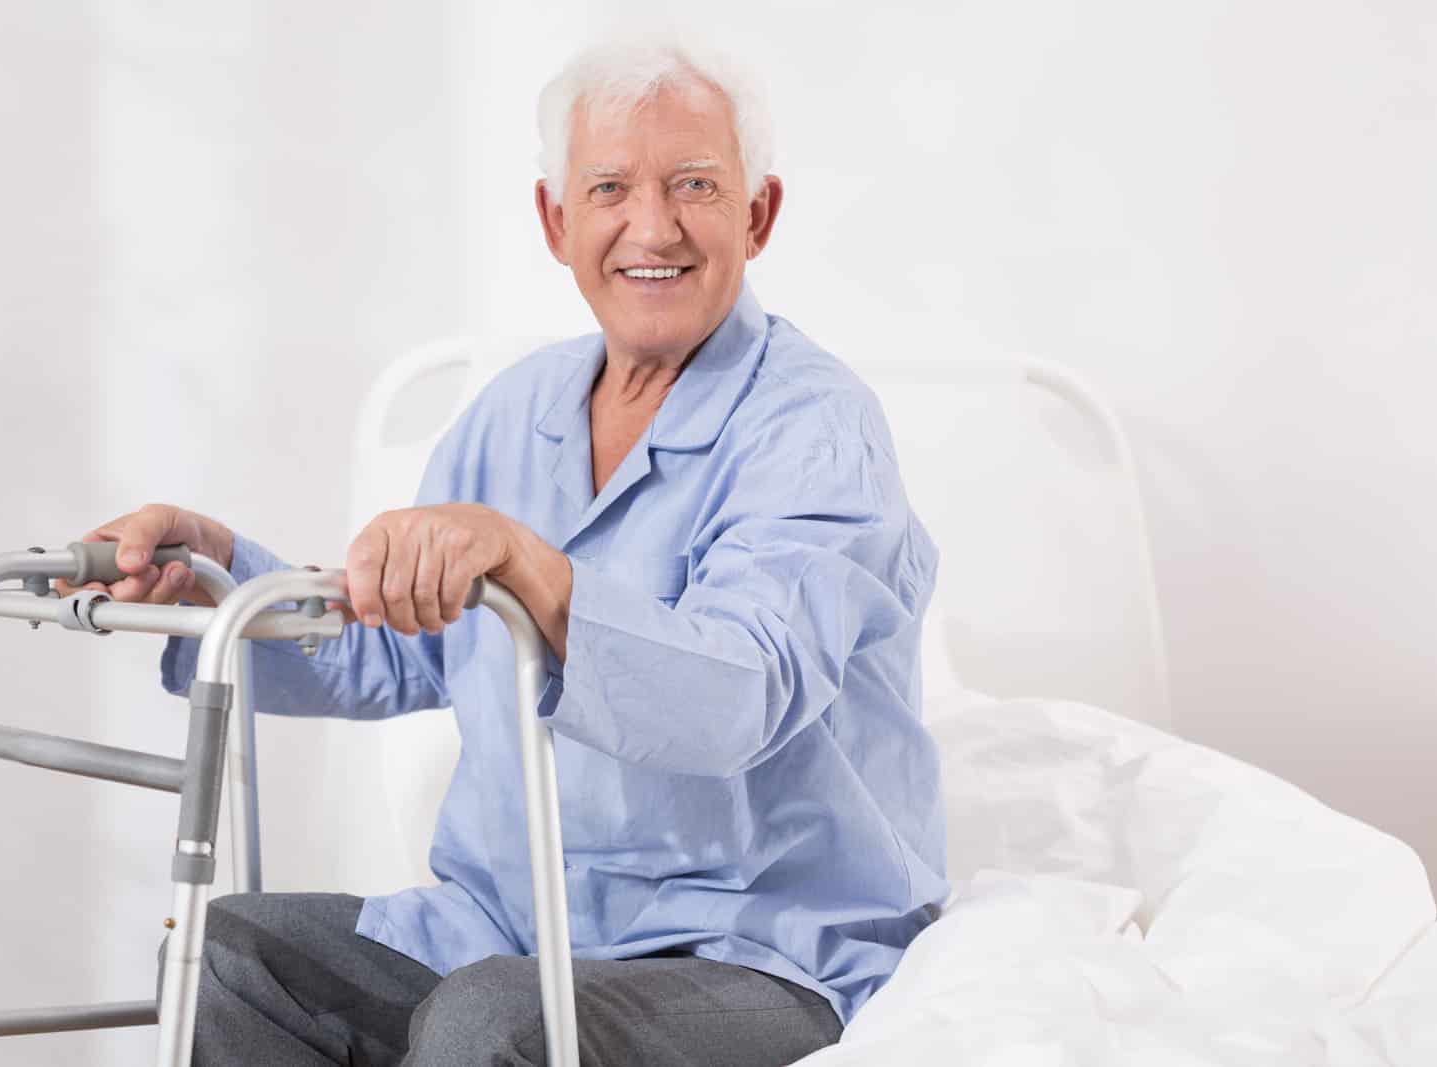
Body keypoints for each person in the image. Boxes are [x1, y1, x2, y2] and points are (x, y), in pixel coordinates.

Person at [63, 35, 947, 1067]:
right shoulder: (509, 414)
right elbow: (399, 650)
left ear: (757, 214)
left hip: (754, 951)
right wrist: (217, 571)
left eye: (694, 185)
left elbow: (740, 693)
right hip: (511, 928)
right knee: (242, 951)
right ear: (555, 220)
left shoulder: (812, 427)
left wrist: (535, 567)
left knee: (493, 1019)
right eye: (609, 186)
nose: (650, 225)